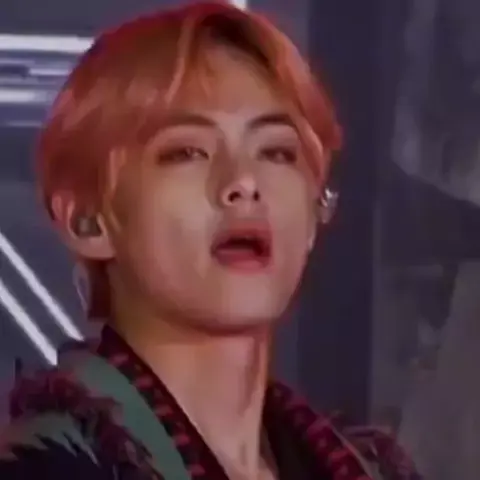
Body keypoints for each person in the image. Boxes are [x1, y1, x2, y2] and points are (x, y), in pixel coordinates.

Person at [0, 2, 419, 479]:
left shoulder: (370, 470)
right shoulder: (50, 466)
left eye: (277, 152)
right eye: (187, 151)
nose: (244, 182)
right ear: (87, 221)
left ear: (316, 208)